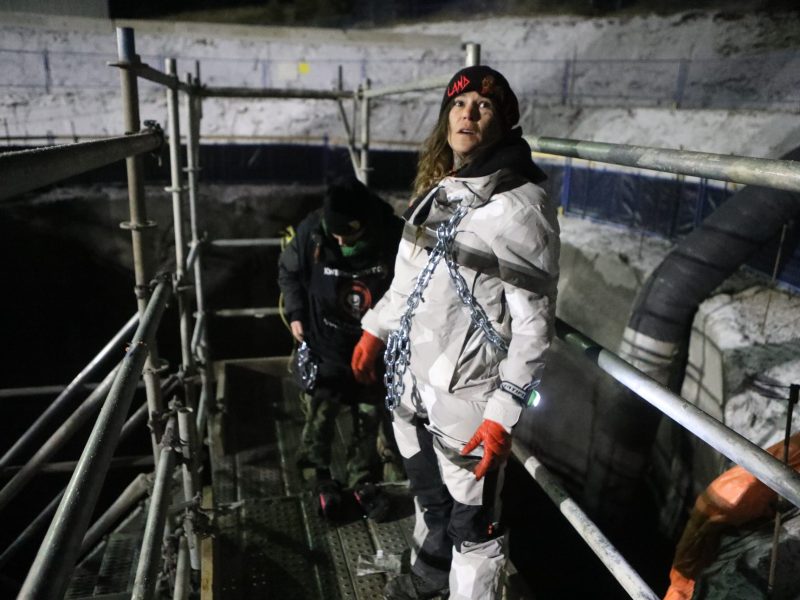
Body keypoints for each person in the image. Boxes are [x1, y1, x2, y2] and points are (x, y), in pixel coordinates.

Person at [350, 65, 560, 599]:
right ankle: (427, 580)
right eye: (459, 105)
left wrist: (503, 412)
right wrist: (375, 328)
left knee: (475, 531)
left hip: (469, 400)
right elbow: (408, 283)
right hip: (415, 383)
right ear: (446, 118)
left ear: (504, 123)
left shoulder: (518, 206)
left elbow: (535, 326)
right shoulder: (444, 191)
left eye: (483, 107)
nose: (468, 114)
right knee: (430, 497)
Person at [278, 175, 404, 520]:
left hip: (373, 348)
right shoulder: (311, 232)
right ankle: (318, 478)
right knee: (320, 414)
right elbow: (288, 273)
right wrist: (296, 314)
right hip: (325, 342)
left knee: (368, 415)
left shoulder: (392, 235)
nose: (338, 240)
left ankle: (362, 479)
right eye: (334, 234)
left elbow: (410, 287)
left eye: (346, 234)